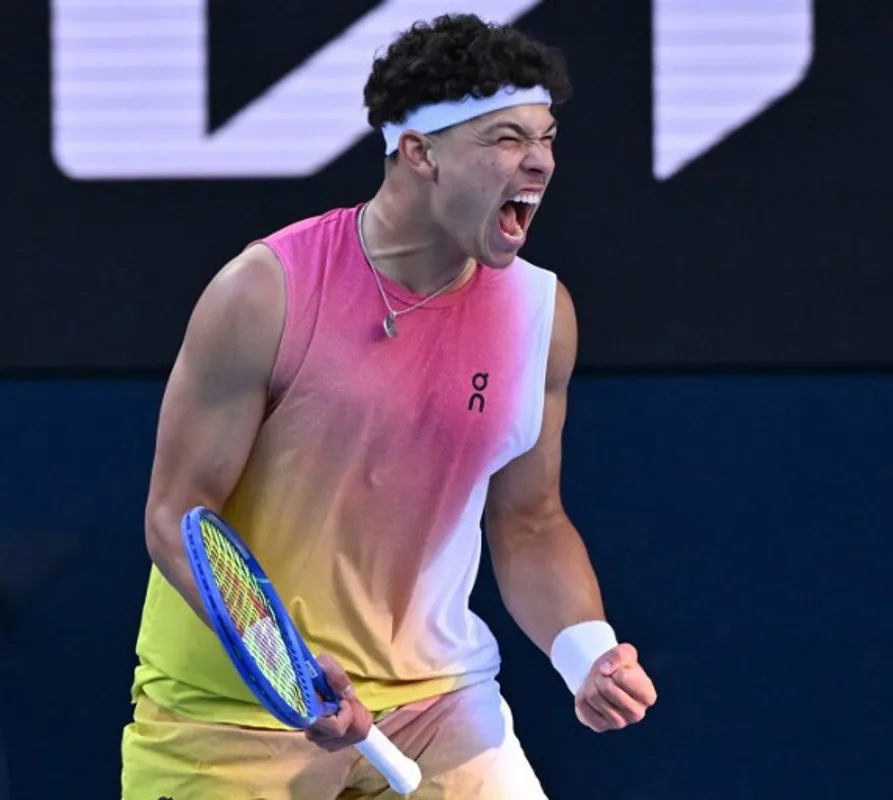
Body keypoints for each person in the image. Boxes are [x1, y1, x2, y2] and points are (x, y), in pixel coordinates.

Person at [120, 13, 657, 799]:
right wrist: (289, 670)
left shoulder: (541, 312)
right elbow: (178, 514)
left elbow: (530, 519)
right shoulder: (265, 289)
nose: (539, 160)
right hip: (233, 716)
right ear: (419, 152)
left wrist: (587, 654)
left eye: (545, 137)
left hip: (438, 701)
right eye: (506, 138)